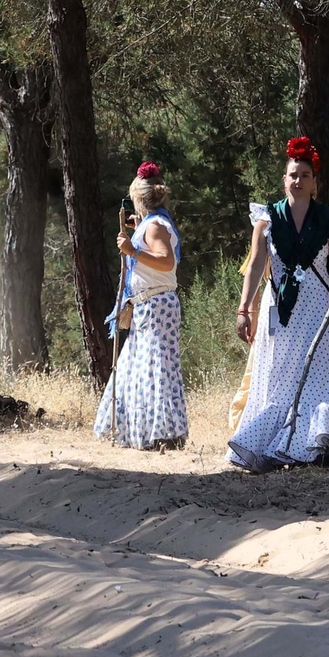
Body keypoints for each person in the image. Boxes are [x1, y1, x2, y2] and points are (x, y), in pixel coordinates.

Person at [228, 137, 329, 472]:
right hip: (279, 310)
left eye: (305, 175)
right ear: (284, 180)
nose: (298, 180)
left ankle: (317, 446)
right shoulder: (266, 220)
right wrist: (243, 308)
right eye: (293, 174)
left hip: (320, 310)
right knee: (278, 380)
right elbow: (254, 267)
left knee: (321, 380)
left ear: (315, 183)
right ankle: (274, 446)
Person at [93, 162, 188, 449]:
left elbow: (166, 260)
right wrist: (138, 233)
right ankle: (148, 431)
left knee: (157, 368)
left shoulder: (156, 226)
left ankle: (163, 434)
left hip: (157, 305)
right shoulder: (154, 223)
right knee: (144, 367)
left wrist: (133, 249)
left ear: (138, 198)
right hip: (151, 305)